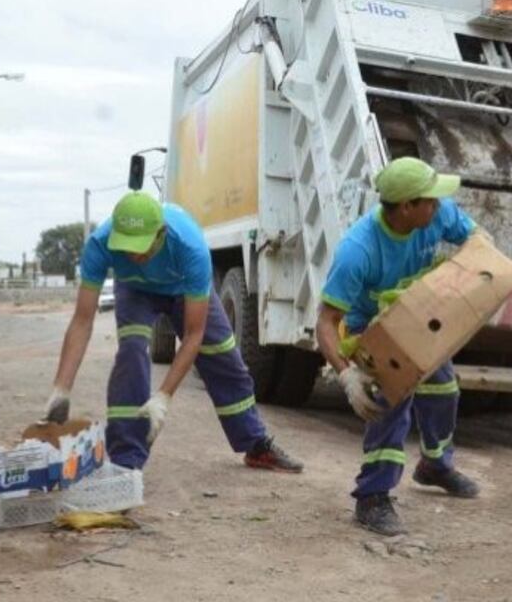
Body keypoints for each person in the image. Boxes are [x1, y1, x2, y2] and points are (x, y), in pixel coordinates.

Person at [44, 191, 303, 474]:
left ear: (161, 234)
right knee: (131, 352)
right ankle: (126, 461)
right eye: (126, 247)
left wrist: (163, 397)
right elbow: (82, 320)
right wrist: (61, 389)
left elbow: (194, 334)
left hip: (183, 290)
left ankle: (255, 445)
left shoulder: (190, 247)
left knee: (224, 355)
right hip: (135, 290)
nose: (133, 255)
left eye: (141, 247)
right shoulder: (99, 244)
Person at [316, 157, 481, 536]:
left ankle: (435, 466)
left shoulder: (437, 214)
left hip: (418, 314)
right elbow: (326, 322)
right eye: (431, 200)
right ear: (406, 207)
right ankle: (372, 497)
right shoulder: (358, 250)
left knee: (444, 389)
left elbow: (475, 239)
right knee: (390, 404)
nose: (439, 204)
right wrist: (347, 375)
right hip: (373, 327)